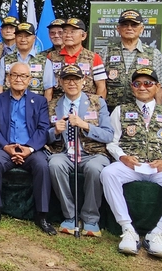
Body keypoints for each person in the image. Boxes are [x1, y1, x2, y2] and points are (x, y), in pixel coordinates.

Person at [100, 68, 162, 259]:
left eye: (148, 83)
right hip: (131, 165)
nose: (143, 87)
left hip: (160, 167)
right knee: (108, 173)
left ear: (157, 87)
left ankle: (159, 233)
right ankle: (127, 229)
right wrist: (122, 157)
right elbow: (111, 142)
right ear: (132, 87)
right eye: (138, 84)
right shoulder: (121, 111)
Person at [0, 62, 55, 235]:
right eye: (14, 75)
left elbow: (43, 128)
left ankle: (42, 215)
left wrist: (29, 149)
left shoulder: (39, 101)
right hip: (4, 147)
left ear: (29, 79)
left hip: (30, 149)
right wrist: (6, 147)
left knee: (42, 166)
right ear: (8, 78)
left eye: (23, 76)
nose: (18, 79)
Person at [46, 65, 113, 236]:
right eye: (67, 79)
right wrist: (55, 132)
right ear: (60, 82)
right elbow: (44, 136)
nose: (71, 82)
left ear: (83, 81)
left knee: (95, 169)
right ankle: (70, 216)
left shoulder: (97, 102)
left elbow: (108, 135)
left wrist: (85, 125)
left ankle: (91, 218)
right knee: (54, 164)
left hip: (93, 154)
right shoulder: (53, 104)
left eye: (76, 79)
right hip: (64, 153)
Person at [104, 10, 162, 108]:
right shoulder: (106, 51)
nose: (129, 28)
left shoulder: (154, 53)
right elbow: (100, 84)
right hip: (110, 109)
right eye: (125, 25)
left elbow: (159, 86)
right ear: (118, 29)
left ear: (141, 29)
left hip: (141, 109)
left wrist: (156, 111)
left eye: (134, 25)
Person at [45, 18, 107, 100]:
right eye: (65, 31)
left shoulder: (94, 57)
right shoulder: (51, 57)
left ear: (83, 36)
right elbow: (48, 88)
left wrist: (96, 107)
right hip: (58, 107)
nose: (68, 35)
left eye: (72, 32)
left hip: (86, 106)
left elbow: (101, 87)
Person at [0, 22, 51, 96]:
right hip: (9, 105)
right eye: (19, 36)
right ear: (15, 37)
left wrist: (44, 107)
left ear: (34, 38)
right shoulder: (5, 60)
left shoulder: (44, 61)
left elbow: (48, 89)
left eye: (27, 36)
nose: (23, 40)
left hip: (35, 106)